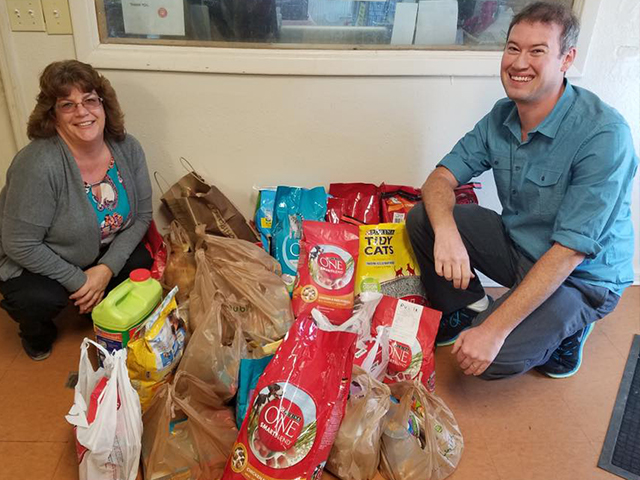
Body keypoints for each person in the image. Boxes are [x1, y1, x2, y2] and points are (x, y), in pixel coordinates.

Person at [406, 2, 637, 380]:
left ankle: (570, 330)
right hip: (522, 247)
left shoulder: (604, 134)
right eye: (513, 48)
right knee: (424, 218)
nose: (519, 62)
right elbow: (439, 180)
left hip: (581, 277)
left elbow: (569, 253)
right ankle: (466, 306)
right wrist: (446, 233)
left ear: (567, 59)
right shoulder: (501, 116)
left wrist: (494, 332)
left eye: (537, 51)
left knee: (487, 359)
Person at [0, 60, 154, 361]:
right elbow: (20, 243)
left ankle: (95, 302)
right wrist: (81, 281)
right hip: (40, 256)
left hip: (98, 248)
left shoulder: (128, 147)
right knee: (38, 299)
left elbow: (142, 216)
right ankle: (36, 333)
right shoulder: (37, 164)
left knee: (141, 262)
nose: (82, 112)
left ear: (103, 105)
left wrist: (105, 269)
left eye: (89, 100)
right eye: (67, 105)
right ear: (52, 115)